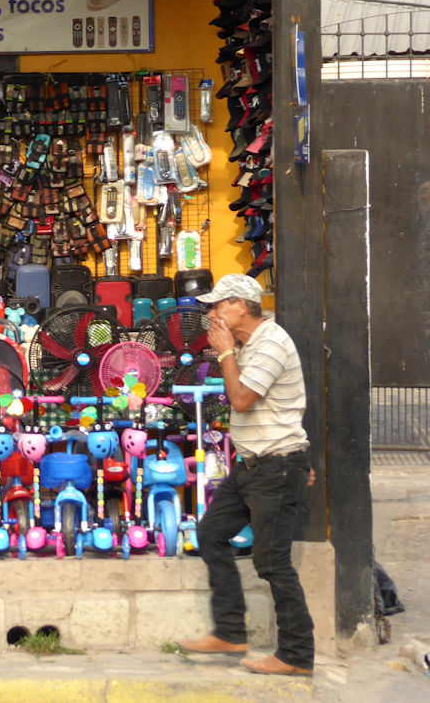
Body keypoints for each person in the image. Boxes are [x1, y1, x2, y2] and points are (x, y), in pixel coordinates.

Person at [179, 273, 316, 676]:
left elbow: (241, 400)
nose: (213, 314)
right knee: (210, 534)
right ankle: (230, 630)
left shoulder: (271, 342)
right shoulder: (250, 345)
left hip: (275, 467)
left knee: (273, 562)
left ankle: (296, 655)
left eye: (219, 306)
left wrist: (224, 353)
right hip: (252, 466)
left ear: (241, 305)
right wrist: (228, 351)